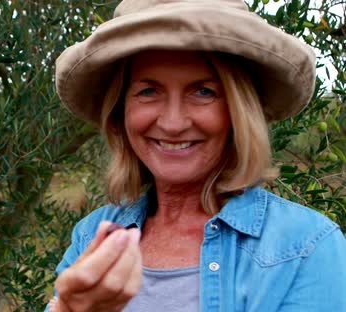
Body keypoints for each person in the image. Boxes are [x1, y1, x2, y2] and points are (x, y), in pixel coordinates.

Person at [47, 0, 346, 311]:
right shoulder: (92, 235)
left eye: (203, 91)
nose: (173, 123)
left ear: (237, 111)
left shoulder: (305, 247)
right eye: (148, 91)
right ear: (121, 111)